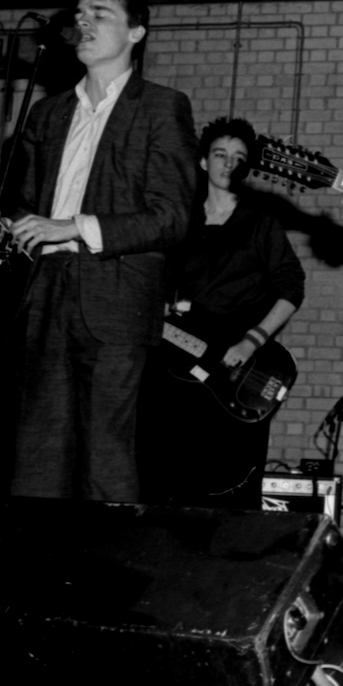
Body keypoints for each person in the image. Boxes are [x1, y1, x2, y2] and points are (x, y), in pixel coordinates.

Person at [0, 0, 198, 502]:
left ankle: (110, 580)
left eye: (101, 14)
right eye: (80, 15)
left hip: (116, 298)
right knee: (37, 452)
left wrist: (76, 227)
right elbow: (27, 202)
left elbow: (175, 215)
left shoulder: (161, 106)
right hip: (47, 292)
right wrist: (12, 225)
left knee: (104, 456)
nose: (84, 23)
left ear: (137, 32)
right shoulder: (48, 112)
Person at [140, 116, 306, 508]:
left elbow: (291, 289)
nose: (228, 163)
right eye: (219, 154)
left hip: (237, 369)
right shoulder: (180, 221)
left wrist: (252, 341)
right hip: (175, 363)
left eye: (238, 157)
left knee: (229, 480)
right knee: (165, 474)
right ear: (203, 161)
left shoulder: (261, 223)